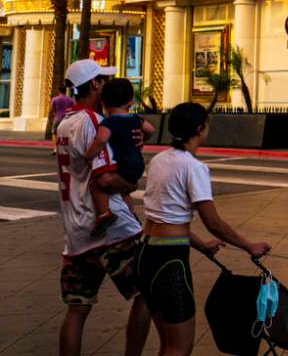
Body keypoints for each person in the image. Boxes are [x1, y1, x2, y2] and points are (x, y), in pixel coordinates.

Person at [138, 102, 271, 356]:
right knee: (180, 348)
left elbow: (167, 217)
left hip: (146, 255)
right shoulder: (193, 167)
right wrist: (249, 245)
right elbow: (214, 222)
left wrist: (202, 245)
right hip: (170, 264)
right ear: (200, 129)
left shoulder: (158, 160)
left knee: (167, 344)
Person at [53, 58, 150, 356]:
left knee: (77, 311)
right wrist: (131, 185)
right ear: (95, 84)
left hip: (77, 234)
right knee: (147, 293)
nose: (106, 85)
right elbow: (106, 177)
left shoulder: (64, 124)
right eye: (103, 80)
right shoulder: (94, 123)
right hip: (112, 231)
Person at [85, 78, 156, 235]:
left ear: (103, 103)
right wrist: (144, 139)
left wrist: (88, 155)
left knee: (98, 184)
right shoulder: (136, 119)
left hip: (122, 164)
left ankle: (104, 214)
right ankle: (131, 216)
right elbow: (150, 129)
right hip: (137, 164)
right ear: (130, 102)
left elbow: (101, 140)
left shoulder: (109, 122)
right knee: (125, 193)